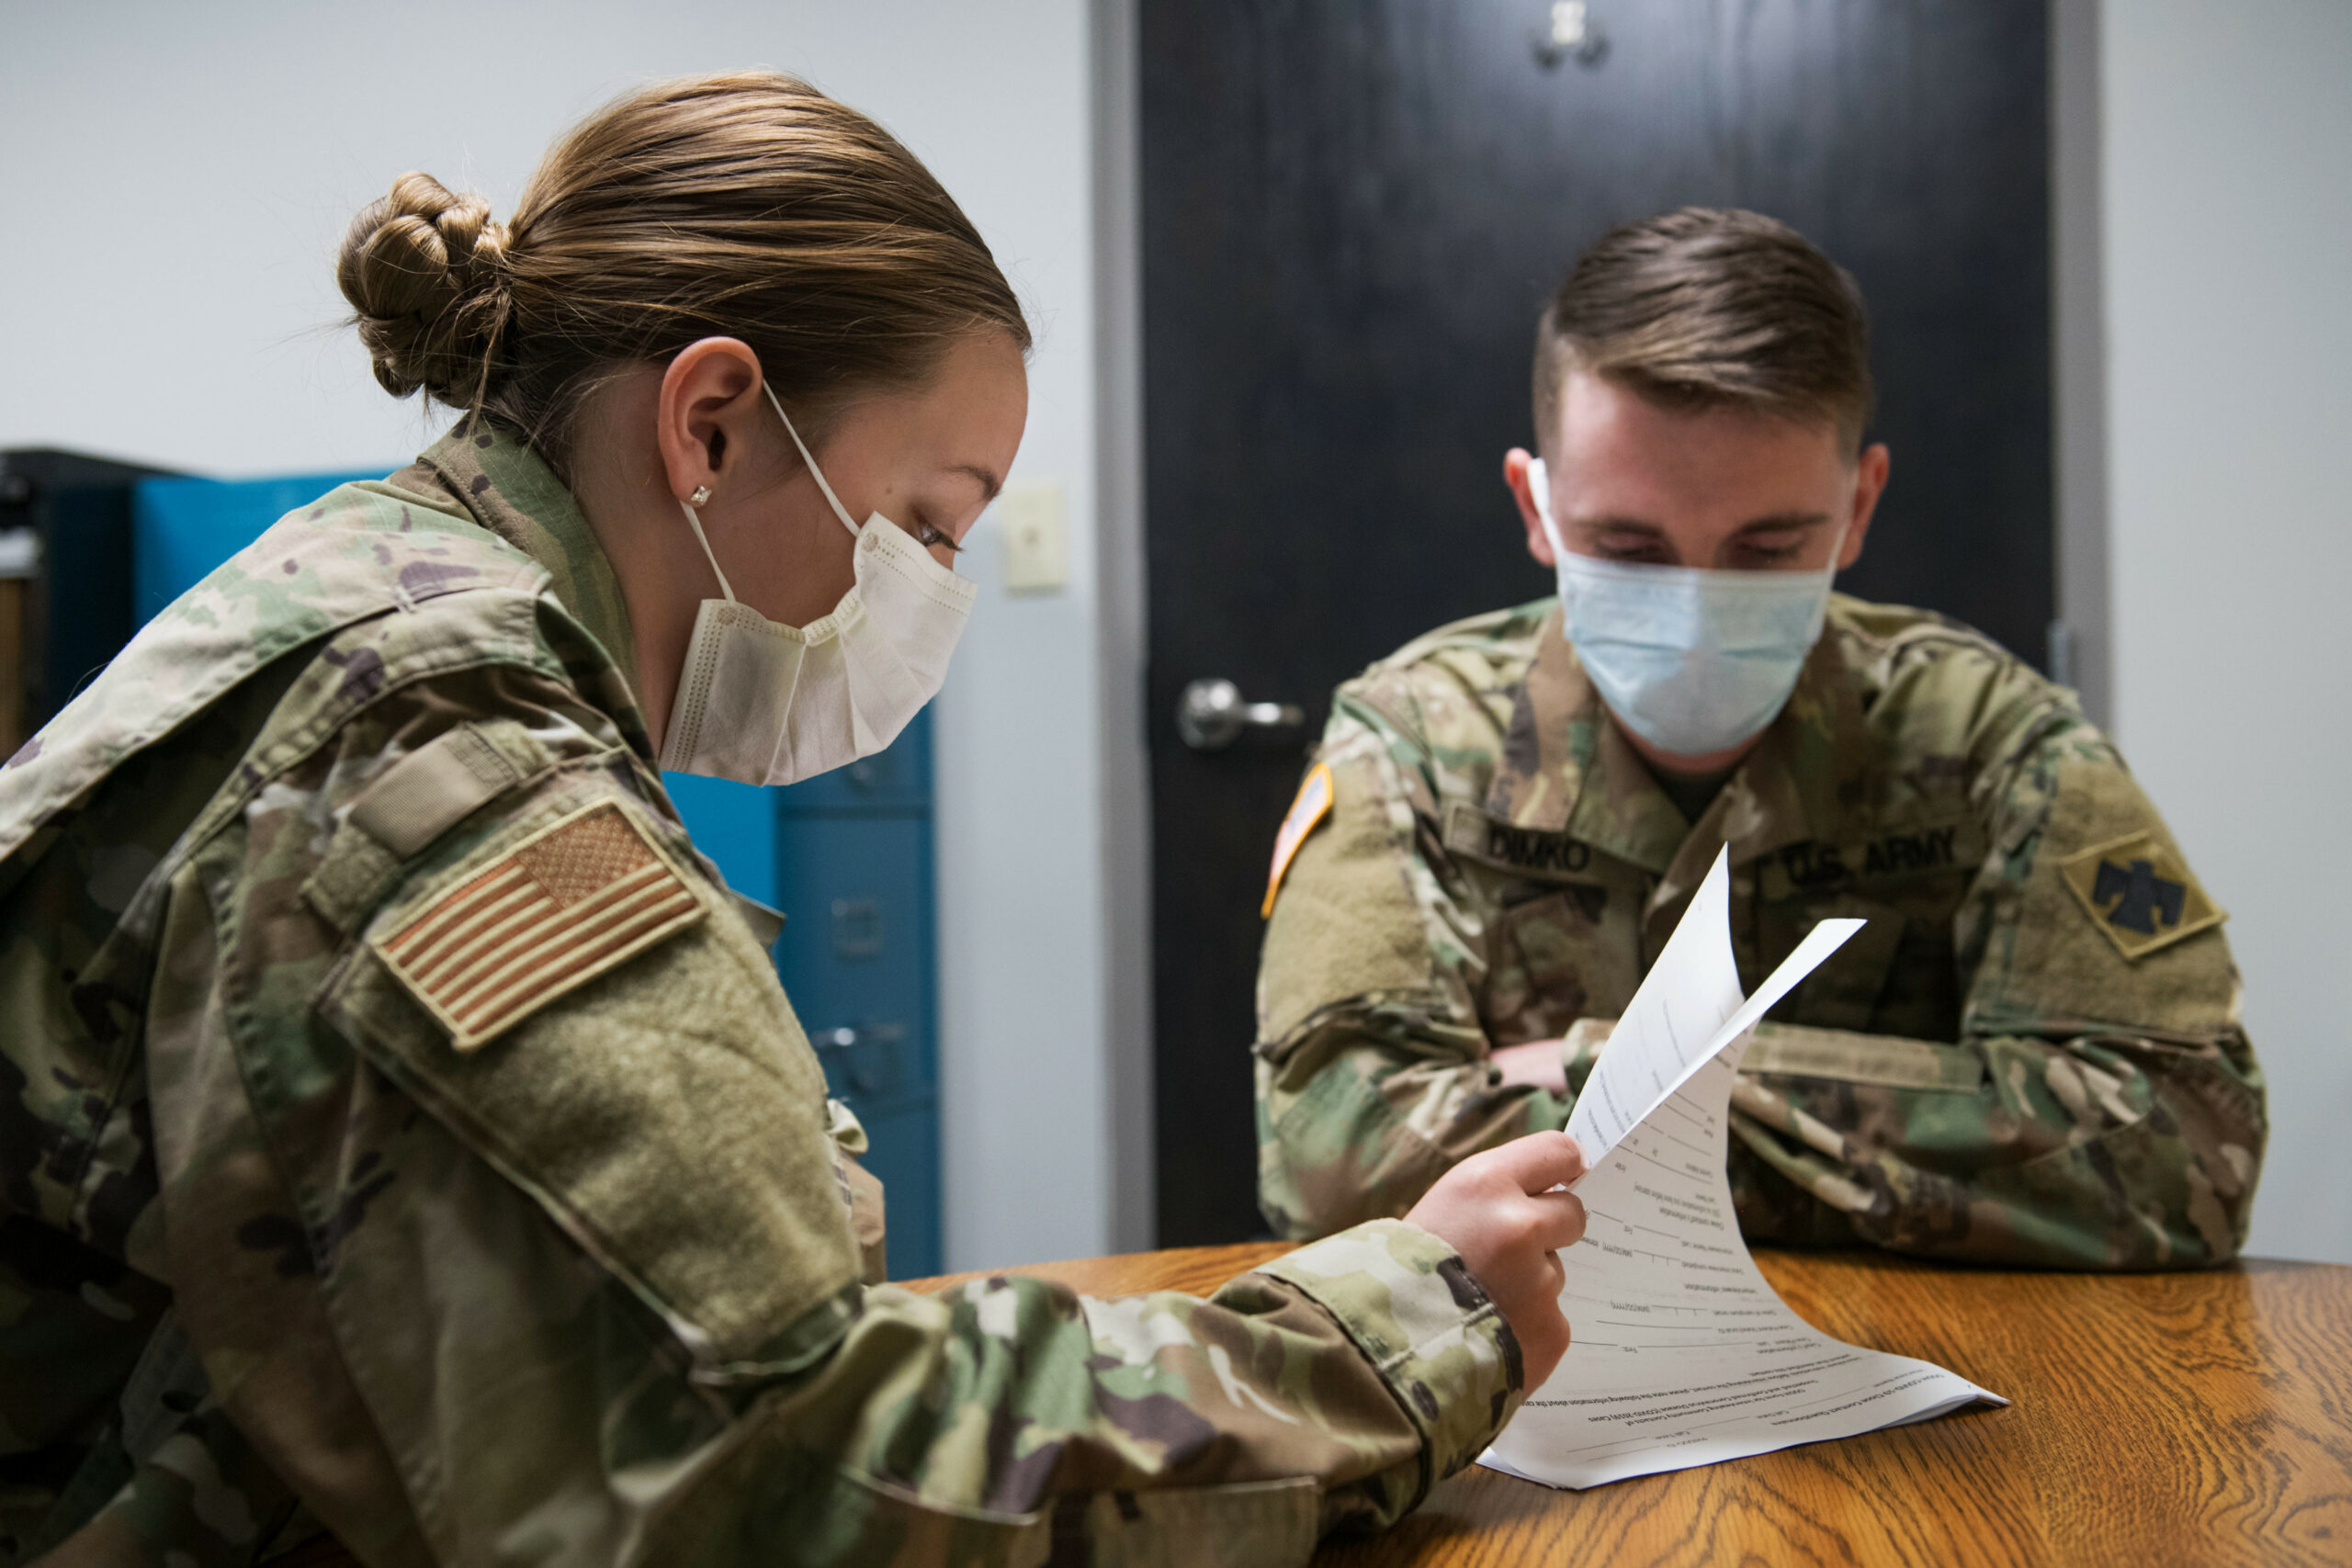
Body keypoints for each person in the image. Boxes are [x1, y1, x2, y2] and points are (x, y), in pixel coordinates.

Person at [0, 73, 1589, 1568]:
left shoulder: (376, 606)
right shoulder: (440, 753)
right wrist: (1399, 1325)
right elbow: (780, 1461)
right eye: (924, 523)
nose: (934, 598)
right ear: (709, 423)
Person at [1255, 208, 2266, 1270]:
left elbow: (2184, 1146)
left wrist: (1596, 1072)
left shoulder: (1990, 739)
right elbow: (1329, 1151)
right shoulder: (1412, 736)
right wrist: (1903, 1130)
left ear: (1858, 505)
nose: (1695, 608)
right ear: (1537, 507)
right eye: (1627, 546)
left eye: (1768, 546)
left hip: (1918, 1376)